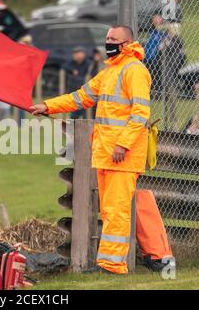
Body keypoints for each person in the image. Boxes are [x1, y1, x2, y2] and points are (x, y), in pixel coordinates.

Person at [31, 25, 152, 275]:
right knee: (109, 210)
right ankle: (108, 264)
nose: (108, 42)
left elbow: (141, 113)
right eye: (107, 37)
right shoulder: (109, 72)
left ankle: (112, 266)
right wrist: (47, 106)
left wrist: (122, 144)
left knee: (117, 210)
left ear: (127, 42)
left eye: (113, 39)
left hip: (122, 154)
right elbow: (80, 98)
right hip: (108, 154)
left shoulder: (135, 71)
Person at [160, 23, 186, 131]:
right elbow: (160, 49)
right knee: (165, 99)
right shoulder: (166, 39)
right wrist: (164, 45)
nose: (170, 32)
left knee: (172, 99)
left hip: (173, 75)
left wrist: (167, 45)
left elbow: (178, 58)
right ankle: (165, 122)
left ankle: (173, 123)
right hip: (166, 73)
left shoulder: (178, 41)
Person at [62, 46, 91, 119]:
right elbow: (64, 66)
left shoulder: (88, 63)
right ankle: (72, 129)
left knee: (86, 117)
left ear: (83, 54)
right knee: (73, 117)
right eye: (74, 53)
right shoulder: (72, 63)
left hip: (85, 95)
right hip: (75, 94)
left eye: (77, 53)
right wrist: (72, 70)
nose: (74, 55)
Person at [144, 14, 165, 100]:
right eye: (154, 18)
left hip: (157, 57)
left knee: (157, 75)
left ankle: (157, 93)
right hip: (148, 57)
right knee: (150, 75)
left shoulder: (163, 31)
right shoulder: (151, 31)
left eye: (158, 18)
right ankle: (150, 92)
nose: (156, 19)